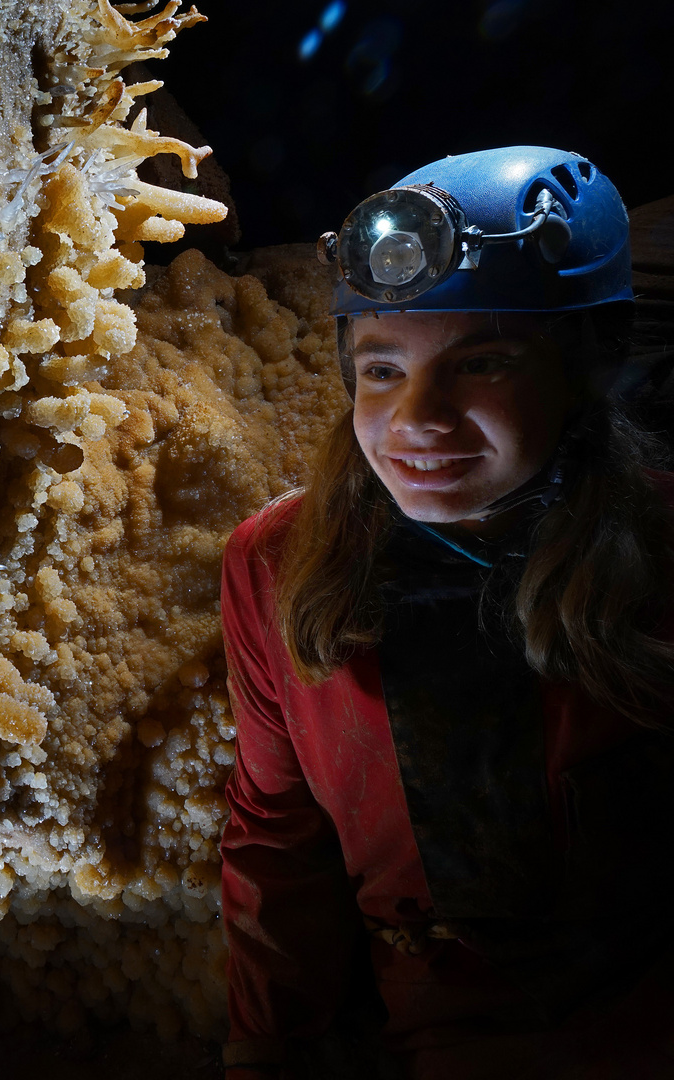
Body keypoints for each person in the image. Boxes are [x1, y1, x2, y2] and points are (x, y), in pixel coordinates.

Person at [216, 146, 674, 1080]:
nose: (417, 417)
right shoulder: (276, 566)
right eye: (382, 370)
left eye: (484, 362)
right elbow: (275, 826)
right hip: (436, 1027)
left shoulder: (659, 544)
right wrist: (262, 1049)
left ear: (586, 367)